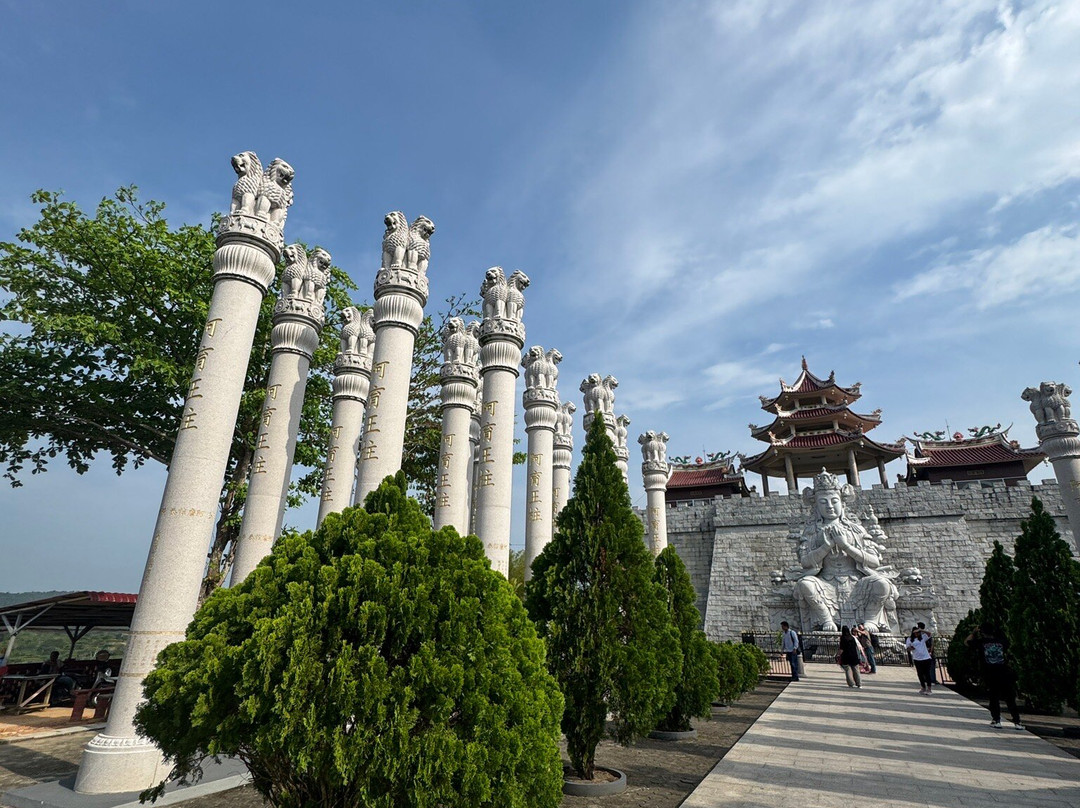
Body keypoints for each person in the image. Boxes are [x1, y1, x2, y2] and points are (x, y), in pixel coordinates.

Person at [793, 470, 899, 632]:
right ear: (816, 506)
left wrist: (846, 546)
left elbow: (874, 561)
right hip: (826, 582)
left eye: (834, 501)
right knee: (805, 584)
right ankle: (826, 620)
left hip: (856, 580)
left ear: (842, 503)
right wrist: (825, 547)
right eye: (823, 502)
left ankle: (871, 621)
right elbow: (805, 562)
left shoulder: (855, 529)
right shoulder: (812, 531)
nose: (829, 506)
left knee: (882, 584)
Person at [966, 624, 1024, 730]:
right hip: (1004, 672)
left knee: (994, 698)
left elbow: (967, 642)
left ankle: (997, 720)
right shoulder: (1001, 642)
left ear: (982, 633)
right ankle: (1017, 722)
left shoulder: (981, 643)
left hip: (990, 674)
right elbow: (1006, 639)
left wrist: (974, 632)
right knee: (1010, 698)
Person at [905, 625, 934, 694]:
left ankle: (929, 689)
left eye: (918, 632)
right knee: (920, 674)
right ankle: (923, 687)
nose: (917, 634)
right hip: (917, 659)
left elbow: (930, 634)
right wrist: (911, 648)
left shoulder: (922, 637)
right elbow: (908, 649)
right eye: (915, 633)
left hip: (926, 658)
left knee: (927, 674)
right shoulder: (909, 639)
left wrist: (921, 630)